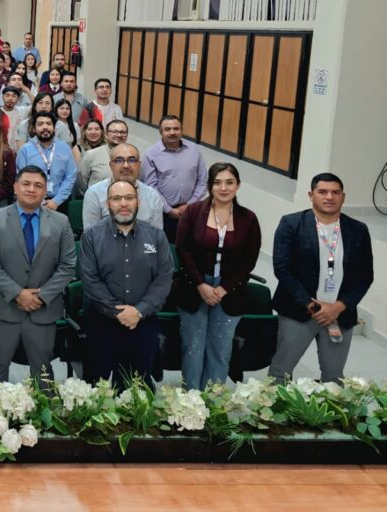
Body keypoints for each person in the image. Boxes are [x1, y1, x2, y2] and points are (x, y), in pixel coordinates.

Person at [268, 173, 374, 383]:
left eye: (335, 192)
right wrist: (312, 305)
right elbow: (282, 268)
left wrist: (339, 306)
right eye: (322, 192)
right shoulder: (292, 223)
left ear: (343, 197)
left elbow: (365, 275)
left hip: (338, 314)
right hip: (299, 311)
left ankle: (328, 406)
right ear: (311, 195)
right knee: (281, 372)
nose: (329, 197)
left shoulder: (358, 230)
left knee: (334, 377)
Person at [0, 166, 76, 383]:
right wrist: (17, 293)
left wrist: (42, 296)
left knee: (43, 375)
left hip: (43, 310)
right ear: (15, 187)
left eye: (38, 185)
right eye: (26, 184)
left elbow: (68, 266)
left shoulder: (61, 222)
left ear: (45, 191)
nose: (31, 189)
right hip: (4, 310)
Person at [172, 163, 261, 390]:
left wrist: (224, 288)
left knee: (220, 350)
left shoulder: (248, 218)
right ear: (210, 186)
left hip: (229, 291)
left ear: (238, 185)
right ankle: (190, 401)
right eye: (218, 182)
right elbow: (183, 250)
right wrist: (201, 284)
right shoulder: (193, 212)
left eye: (229, 182)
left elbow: (249, 260)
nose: (223, 188)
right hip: (194, 287)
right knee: (193, 348)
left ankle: (213, 400)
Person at [80, 180, 174, 389]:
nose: (123, 203)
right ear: (108, 203)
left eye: (129, 198)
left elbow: (164, 278)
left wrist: (139, 311)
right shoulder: (91, 236)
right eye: (116, 198)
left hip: (143, 322)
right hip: (102, 323)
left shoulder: (156, 236)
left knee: (138, 389)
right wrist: (120, 313)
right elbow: (90, 279)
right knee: (96, 388)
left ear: (138, 202)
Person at [142, 116, 209, 242]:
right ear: (161, 132)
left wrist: (189, 205)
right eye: (167, 129)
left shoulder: (194, 150)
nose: (172, 132)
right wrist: (169, 210)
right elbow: (150, 186)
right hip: (164, 214)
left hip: (192, 211)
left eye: (176, 129)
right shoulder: (151, 154)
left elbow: (203, 180)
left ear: (181, 130)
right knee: (167, 247)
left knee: (192, 245)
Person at [83, 143, 165, 231]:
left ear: (139, 165)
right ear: (111, 166)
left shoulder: (152, 196)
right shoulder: (94, 194)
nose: (126, 165)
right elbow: (91, 235)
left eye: (132, 160)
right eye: (119, 160)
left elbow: (156, 235)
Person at [15, 113, 77, 211]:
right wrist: (38, 200)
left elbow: (70, 176)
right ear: (34, 129)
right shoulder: (25, 150)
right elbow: (21, 179)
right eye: (40, 124)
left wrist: (56, 201)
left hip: (60, 202)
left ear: (54, 128)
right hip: (32, 201)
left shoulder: (65, 148)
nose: (45, 127)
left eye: (48, 124)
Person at [77, 120, 129, 197]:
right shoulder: (91, 155)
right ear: (106, 134)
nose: (118, 135)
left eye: (122, 132)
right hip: (97, 200)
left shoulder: (132, 155)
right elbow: (81, 183)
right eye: (114, 132)